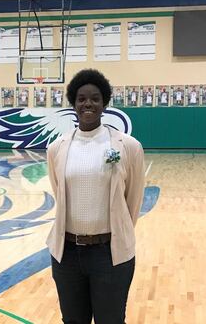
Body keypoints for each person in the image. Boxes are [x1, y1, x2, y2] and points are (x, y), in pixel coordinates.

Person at [47, 69, 146, 324]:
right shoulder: (57, 148)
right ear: (73, 103)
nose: (87, 104)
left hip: (109, 254)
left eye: (94, 98)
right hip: (67, 255)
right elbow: (58, 190)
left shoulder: (128, 146)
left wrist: (116, 232)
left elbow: (132, 200)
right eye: (81, 98)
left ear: (104, 103)